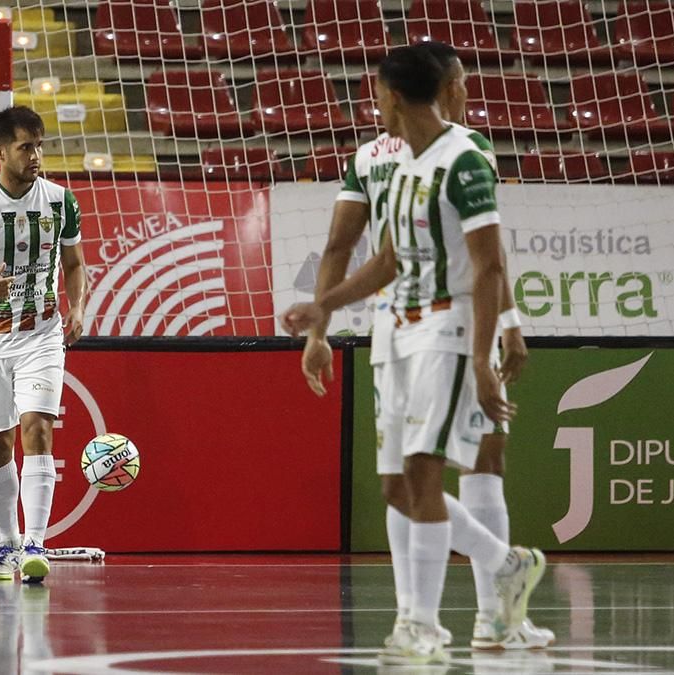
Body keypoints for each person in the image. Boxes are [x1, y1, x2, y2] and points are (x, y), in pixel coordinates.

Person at [283, 45, 545, 665]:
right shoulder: (393, 168)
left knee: (445, 468)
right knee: (397, 486)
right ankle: (503, 566)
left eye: (375, 90)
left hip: (447, 332)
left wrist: (487, 351)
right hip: (393, 333)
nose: (372, 100)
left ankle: (423, 626)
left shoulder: (466, 159)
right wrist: (323, 310)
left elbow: (490, 265)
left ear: (393, 96)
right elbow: (384, 261)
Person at [0, 105, 87, 583]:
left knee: (38, 428)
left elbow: (74, 265)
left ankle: (35, 543)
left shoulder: (61, 200)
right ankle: (4, 543)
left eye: (40, 146)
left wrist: (78, 306)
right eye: (26, 146)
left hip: (41, 335)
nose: (36, 155)